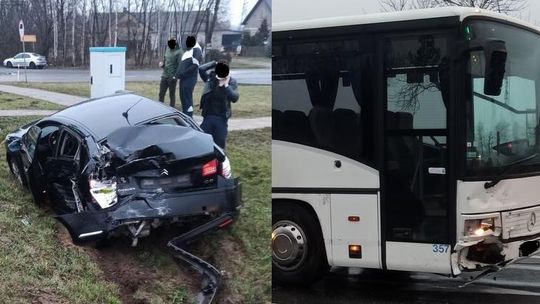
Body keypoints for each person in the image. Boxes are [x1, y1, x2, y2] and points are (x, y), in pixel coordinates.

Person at [199, 60, 239, 149]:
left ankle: (221, 161)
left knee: (220, 142)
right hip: (208, 116)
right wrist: (214, 63)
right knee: (204, 140)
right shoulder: (211, 79)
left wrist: (226, 85)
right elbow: (201, 69)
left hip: (221, 118)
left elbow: (235, 98)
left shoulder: (232, 81)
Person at [176, 35, 203, 117]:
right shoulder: (189, 50)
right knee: (183, 97)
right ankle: (185, 115)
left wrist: (183, 74)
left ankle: (189, 117)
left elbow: (195, 66)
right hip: (183, 79)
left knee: (187, 98)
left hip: (189, 79)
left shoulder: (197, 50)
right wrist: (178, 74)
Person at [158, 37, 182, 107]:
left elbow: (180, 66)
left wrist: (175, 76)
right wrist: (162, 64)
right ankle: (160, 108)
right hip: (164, 76)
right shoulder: (167, 50)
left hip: (172, 77)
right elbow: (165, 60)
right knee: (161, 94)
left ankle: (172, 109)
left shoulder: (179, 52)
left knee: (171, 95)